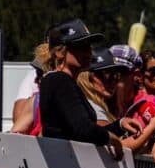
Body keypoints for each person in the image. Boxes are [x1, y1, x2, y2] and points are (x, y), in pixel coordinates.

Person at [39, 19, 130, 157]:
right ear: (60, 52)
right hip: (62, 165)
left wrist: (120, 125)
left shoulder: (63, 81)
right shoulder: (59, 80)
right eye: (80, 46)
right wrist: (113, 139)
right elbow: (83, 129)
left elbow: (82, 130)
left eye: (89, 46)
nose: (89, 52)